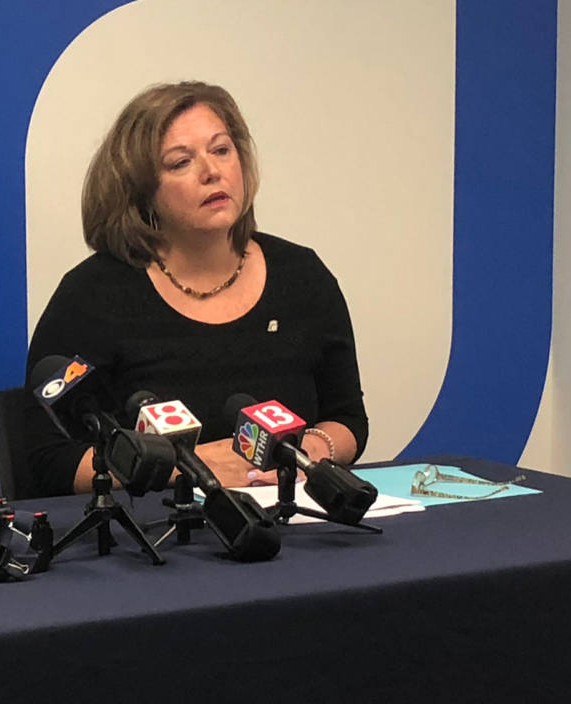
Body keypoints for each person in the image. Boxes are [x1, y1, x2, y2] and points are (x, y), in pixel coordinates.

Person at [23, 81, 368, 497]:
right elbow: (47, 460)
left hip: (289, 524)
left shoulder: (303, 276)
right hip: (152, 541)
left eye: (222, 150)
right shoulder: (92, 297)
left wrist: (307, 453)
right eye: (181, 162)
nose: (212, 171)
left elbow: (347, 419)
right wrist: (184, 466)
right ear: (141, 191)